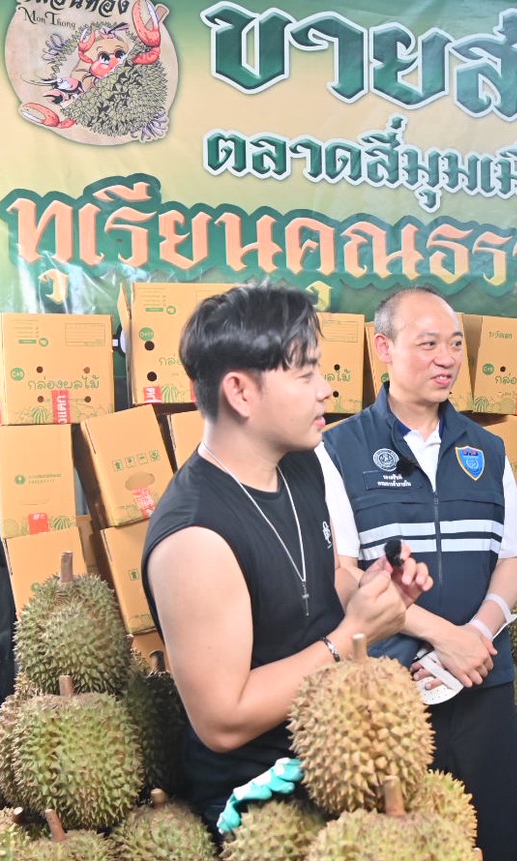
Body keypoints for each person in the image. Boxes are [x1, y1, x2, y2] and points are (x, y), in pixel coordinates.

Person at [141, 283, 430, 828]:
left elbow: (329, 579)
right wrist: (350, 637)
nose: (327, 389)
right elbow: (221, 720)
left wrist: (375, 592)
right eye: (306, 374)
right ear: (241, 393)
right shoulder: (194, 537)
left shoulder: (303, 465)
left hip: (336, 757)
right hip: (257, 808)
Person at [317, 286, 517, 861]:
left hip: (483, 683)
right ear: (383, 348)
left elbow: (515, 559)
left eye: (456, 343)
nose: (447, 358)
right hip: (393, 694)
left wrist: (477, 635)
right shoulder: (339, 450)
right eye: (428, 343)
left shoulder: (485, 450)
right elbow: (343, 575)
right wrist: (442, 637)